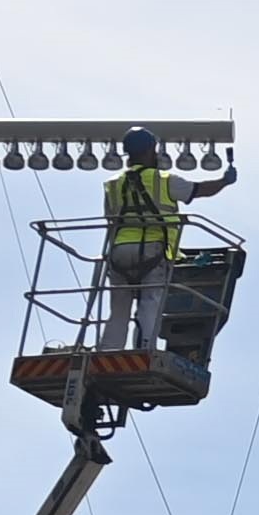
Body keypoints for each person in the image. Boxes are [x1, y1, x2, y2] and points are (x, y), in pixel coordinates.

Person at [94, 125, 235, 352]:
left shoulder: (112, 184)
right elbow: (198, 190)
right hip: (152, 249)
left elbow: (110, 218)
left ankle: (108, 350)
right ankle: (145, 349)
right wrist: (224, 181)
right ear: (151, 149)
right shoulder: (163, 180)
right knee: (150, 301)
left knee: (119, 307)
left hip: (119, 251)